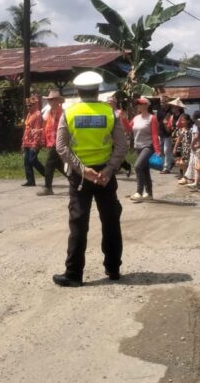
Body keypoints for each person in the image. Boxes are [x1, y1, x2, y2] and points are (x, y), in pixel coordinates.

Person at [52, 71, 128, 287]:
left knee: (78, 223)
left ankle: (74, 274)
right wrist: (108, 170)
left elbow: (61, 147)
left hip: (80, 177)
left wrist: (83, 170)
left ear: (77, 91)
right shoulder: (110, 113)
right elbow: (122, 146)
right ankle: (113, 269)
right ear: (98, 90)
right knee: (111, 221)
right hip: (105, 176)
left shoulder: (69, 113)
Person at [130, 97, 162, 202]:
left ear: (147, 105)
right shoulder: (136, 118)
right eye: (138, 104)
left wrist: (157, 150)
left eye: (142, 104)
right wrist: (121, 118)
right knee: (144, 170)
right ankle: (149, 193)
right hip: (138, 147)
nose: (139, 105)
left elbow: (154, 135)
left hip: (148, 146)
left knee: (138, 166)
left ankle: (139, 192)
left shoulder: (152, 118)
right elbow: (127, 129)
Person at [37, 89, 66, 196]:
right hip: (51, 142)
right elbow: (47, 127)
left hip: (58, 142)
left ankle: (48, 187)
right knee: (58, 165)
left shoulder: (61, 113)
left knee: (49, 164)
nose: (50, 101)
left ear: (58, 100)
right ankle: (75, 181)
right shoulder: (50, 112)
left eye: (52, 99)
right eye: (49, 100)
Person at [21, 95, 45, 187]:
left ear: (35, 105)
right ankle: (30, 180)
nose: (28, 107)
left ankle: (47, 175)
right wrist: (23, 142)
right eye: (27, 105)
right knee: (26, 161)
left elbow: (38, 129)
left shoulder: (38, 114)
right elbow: (27, 129)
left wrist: (35, 143)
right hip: (27, 141)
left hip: (35, 141)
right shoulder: (29, 114)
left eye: (30, 105)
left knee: (32, 159)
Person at [107, 93, 133, 177]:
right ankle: (117, 168)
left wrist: (128, 134)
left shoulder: (119, 112)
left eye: (111, 102)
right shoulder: (106, 112)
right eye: (108, 102)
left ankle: (126, 166)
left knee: (117, 153)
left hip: (119, 136)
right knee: (111, 153)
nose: (109, 104)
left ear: (115, 103)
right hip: (109, 137)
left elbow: (126, 125)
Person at [157, 96, 176, 174]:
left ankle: (166, 168)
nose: (162, 103)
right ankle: (171, 161)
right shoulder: (159, 110)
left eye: (163, 101)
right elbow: (158, 121)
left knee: (166, 150)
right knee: (161, 151)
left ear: (167, 102)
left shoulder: (171, 111)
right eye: (161, 102)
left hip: (168, 133)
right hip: (160, 133)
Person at [173, 113, 193, 182]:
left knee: (189, 163)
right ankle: (185, 177)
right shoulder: (181, 130)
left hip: (191, 148)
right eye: (181, 120)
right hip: (184, 149)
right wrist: (175, 148)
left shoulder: (191, 130)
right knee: (183, 163)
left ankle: (189, 177)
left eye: (183, 120)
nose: (182, 122)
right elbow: (178, 140)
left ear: (188, 121)